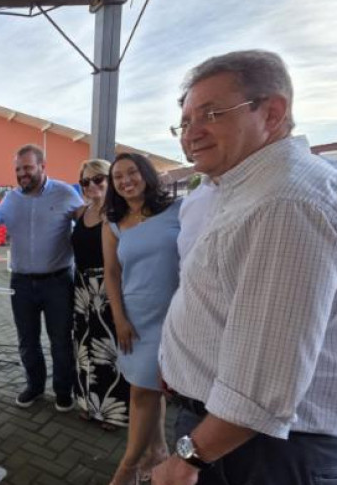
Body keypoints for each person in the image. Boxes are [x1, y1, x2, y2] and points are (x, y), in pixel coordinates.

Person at [153, 50, 337, 485]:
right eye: (185, 122)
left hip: (258, 448)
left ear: (272, 113)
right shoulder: (245, 188)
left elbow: (263, 385)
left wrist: (187, 460)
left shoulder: (283, 201)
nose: (191, 133)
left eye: (211, 114)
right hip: (233, 435)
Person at [102, 153, 181, 485]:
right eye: (118, 177)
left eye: (132, 172)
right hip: (135, 320)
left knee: (146, 391)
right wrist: (119, 318)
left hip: (174, 315)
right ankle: (155, 452)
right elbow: (111, 273)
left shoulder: (177, 211)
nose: (126, 181)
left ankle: (129, 466)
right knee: (144, 388)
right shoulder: (113, 223)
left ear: (146, 174)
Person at [0, 144, 82, 411]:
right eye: (18, 169)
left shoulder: (65, 193)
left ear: (42, 167)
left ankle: (63, 390)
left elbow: (88, 223)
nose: (22, 173)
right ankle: (34, 386)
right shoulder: (11, 199)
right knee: (27, 340)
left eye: (28, 168)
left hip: (58, 281)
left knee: (61, 340)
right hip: (21, 282)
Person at [70, 158, 130, 431]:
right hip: (82, 289)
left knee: (109, 351)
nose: (91, 185)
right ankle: (87, 403)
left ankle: (113, 413)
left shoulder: (119, 214)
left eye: (98, 179)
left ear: (109, 181)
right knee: (84, 348)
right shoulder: (81, 212)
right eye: (85, 181)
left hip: (108, 288)